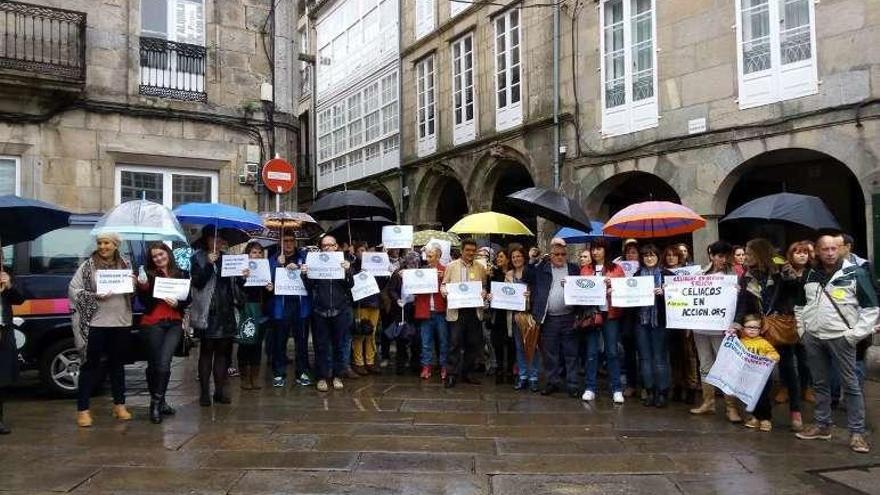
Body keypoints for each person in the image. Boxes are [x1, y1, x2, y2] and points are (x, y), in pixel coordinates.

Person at [794, 234, 876, 454]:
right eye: (825, 249)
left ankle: (857, 432)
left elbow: (871, 309)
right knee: (820, 383)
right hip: (814, 337)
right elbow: (800, 306)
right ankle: (822, 426)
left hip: (841, 337)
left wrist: (853, 335)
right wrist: (803, 331)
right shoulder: (810, 274)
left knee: (851, 386)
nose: (830, 253)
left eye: (834, 248)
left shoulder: (855, 272)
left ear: (840, 249)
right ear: (818, 251)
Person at [733, 238, 803, 431]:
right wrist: (737, 323)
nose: (745, 256)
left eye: (748, 252)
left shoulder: (781, 272)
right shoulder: (746, 276)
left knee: (789, 371)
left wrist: (791, 277)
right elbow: (742, 303)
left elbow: (796, 293)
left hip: (780, 328)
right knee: (759, 373)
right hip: (759, 329)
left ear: (759, 253)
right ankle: (761, 415)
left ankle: (795, 412)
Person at [68, 232, 134, 427]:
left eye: (107, 243)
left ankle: (119, 405)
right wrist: (95, 295)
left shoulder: (125, 264)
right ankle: (83, 410)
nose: (103, 246)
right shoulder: (87, 266)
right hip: (95, 323)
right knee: (90, 366)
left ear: (115, 245)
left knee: (117, 365)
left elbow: (131, 293)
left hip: (120, 322)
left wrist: (135, 283)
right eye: (100, 243)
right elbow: (73, 290)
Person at [136, 242, 190, 424]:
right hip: (152, 323)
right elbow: (144, 301)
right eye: (155, 256)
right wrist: (142, 285)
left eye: (161, 254)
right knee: (154, 364)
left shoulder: (181, 273)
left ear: (168, 253)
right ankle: (162, 401)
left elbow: (187, 299)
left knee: (165, 363)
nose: (159, 258)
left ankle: (155, 403)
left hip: (174, 324)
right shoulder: (149, 275)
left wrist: (178, 304)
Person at [190, 226, 243, 407]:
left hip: (226, 311)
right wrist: (208, 264)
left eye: (220, 238)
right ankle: (204, 392)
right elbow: (197, 282)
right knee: (206, 352)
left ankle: (219, 391)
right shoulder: (197, 257)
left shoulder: (228, 258)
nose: (217, 242)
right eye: (213, 238)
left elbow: (235, 284)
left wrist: (243, 276)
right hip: (208, 312)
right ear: (206, 240)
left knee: (223, 354)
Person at [690, 241, 740, 421]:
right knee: (705, 364)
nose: (722, 260)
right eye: (719, 256)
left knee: (725, 366)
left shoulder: (734, 275)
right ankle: (708, 402)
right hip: (701, 327)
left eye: (726, 256)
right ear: (711, 255)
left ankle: (731, 407)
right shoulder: (699, 274)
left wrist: (737, 292)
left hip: (723, 329)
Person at [521, 239, 579, 396]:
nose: (560, 257)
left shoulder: (574, 269)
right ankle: (552, 382)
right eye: (556, 254)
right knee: (550, 353)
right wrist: (532, 260)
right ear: (550, 255)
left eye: (563, 254)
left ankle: (572, 384)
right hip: (549, 318)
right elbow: (526, 276)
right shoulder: (542, 268)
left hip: (569, 316)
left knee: (571, 353)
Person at [300, 235, 354, 392]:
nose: (327, 248)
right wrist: (305, 273)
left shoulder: (343, 262)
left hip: (339, 309)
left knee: (339, 345)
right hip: (320, 310)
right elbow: (309, 286)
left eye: (330, 245)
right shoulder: (314, 261)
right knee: (321, 346)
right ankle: (322, 377)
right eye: (324, 246)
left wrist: (348, 271)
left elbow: (350, 284)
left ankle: (337, 376)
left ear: (336, 246)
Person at [581, 237, 626, 403]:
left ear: (605, 250)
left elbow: (623, 290)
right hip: (592, 314)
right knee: (591, 352)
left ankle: (616, 388)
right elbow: (580, 289)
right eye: (593, 249)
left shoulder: (616, 268)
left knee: (612, 352)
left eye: (599, 248)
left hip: (611, 315)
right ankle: (590, 387)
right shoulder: (585, 269)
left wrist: (612, 286)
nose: (595, 252)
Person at [441, 238, 488, 388]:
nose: (470, 253)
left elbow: (484, 286)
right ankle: (451, 374)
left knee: (473, 344)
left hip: (474, 311)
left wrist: (483, 293)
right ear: (462, 251)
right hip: (457, 311)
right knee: (454, 343)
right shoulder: (451, 266)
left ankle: (467, 373)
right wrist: (445, 292)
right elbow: (443, 285)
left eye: (473, 251)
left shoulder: (481, 267)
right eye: (468, 250)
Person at [268, 233, 311, 388]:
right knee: (279, 341)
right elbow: (268, 280)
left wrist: (301, 268)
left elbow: (312, 276)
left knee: (302, 341)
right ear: (280, 243)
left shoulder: (304, 257)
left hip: (301, 306)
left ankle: (302, 372)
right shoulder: (273, 258)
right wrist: (278, 266)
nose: (288, 244)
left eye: (291, 241)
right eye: (285, 241)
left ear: (295, 242)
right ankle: (279, 373)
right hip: (281, 305)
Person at [634, 244, 673, 408]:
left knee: (660, 358)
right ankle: (649, 391)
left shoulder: (667, 275)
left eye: (652, 255)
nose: (649, 258)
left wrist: (665, 293)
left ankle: (662, 392)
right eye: (645, 256)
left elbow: (679, 297)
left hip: (660, 322)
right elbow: (627, 297)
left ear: (658, 256)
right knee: (645, 358)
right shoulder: (636, 275)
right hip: (641, 322)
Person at [662, 245, 700, 404]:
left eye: (674, 255)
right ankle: (677, 386)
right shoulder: (662, 273)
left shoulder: (691, 272)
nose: (671, 258)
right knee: (674, 356)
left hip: (686, 319)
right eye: (668, 255)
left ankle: (691, 387)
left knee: (689, 355)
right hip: (669, 318)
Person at [237, 242, 273, 391]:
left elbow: (268, 294)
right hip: (246, 310)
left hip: (261, 311)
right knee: (245, 343)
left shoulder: (266, 270)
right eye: (253, 252)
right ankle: (244, 377)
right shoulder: (242, 270)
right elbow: (237, 290)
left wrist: (270, 289)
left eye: (259, 253)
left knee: (257, 344)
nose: (257, 255)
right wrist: (242, 278)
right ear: (248, 254)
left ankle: (254, 376)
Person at [737, 313, 780, 432]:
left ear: (760, 330)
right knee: (751, 399)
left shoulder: (763, 343)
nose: (751, 330)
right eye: (748, 327)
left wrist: (770, 356)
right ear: (743, 328)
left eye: (755, 328)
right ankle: (756, 417)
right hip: (748, 377)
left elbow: (776, 355)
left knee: (763, 398)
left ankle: (766, 419)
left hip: (763, 377)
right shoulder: (740, 342)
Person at [509, 245, 540, 392]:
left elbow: (539, 290)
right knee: (519, 348)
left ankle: (533, 377)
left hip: (530, 315)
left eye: (518, 256)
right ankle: (523, 376)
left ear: (524, 257)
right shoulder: (509, 275)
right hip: (516, 316)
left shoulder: (532, 272)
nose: (516, 259)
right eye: (513, 257)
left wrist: (531, 294)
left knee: (532, 346)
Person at [415, 246, 447, 381]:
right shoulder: (421, 272)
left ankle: (444, 366)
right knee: (426, 342)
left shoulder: (446, 270)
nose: (427, 259)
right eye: (427, 256)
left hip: (441, 311)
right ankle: (426, 367)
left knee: (444, 341)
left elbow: (452, 288)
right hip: (426, 312)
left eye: (431, 256)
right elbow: (414, 290)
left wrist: (443, 278)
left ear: (438, 256)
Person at [0, 254, 25, 433]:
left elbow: (19, 299)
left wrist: (8, 284)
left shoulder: (5, 273)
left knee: (1, 378)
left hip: (3, 330)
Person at [351, 242, 381, 376]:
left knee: (371, 333)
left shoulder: (375, 266)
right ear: (356, 252)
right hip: (360, 304)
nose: (363, 253)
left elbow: (382, 282)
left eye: (365, 250)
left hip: (374, 303)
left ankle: (370, 361)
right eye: (361, 250)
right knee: (360, 334)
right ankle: (358, 362)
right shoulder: (352, 266)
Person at [618, 239, 640, 398]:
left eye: (633, 252)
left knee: (645, 352)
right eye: (628, 252)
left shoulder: (646, 269)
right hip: (626, 314)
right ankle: (632, 383)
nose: (630, 255)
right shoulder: (620, 269)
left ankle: (647, 385)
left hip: (643, 315)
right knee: (629, 350)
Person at [490, 248, 515, 384]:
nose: (498, 259)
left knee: (511, 343)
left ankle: (510, 369)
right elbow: (488, 290)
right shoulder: (493, 274)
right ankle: (499, 368)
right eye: (497, 257)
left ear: (508, 259)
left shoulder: (513, 274)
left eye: (501, 257)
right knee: (497, 342)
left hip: (510, 313)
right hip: (497, 313)